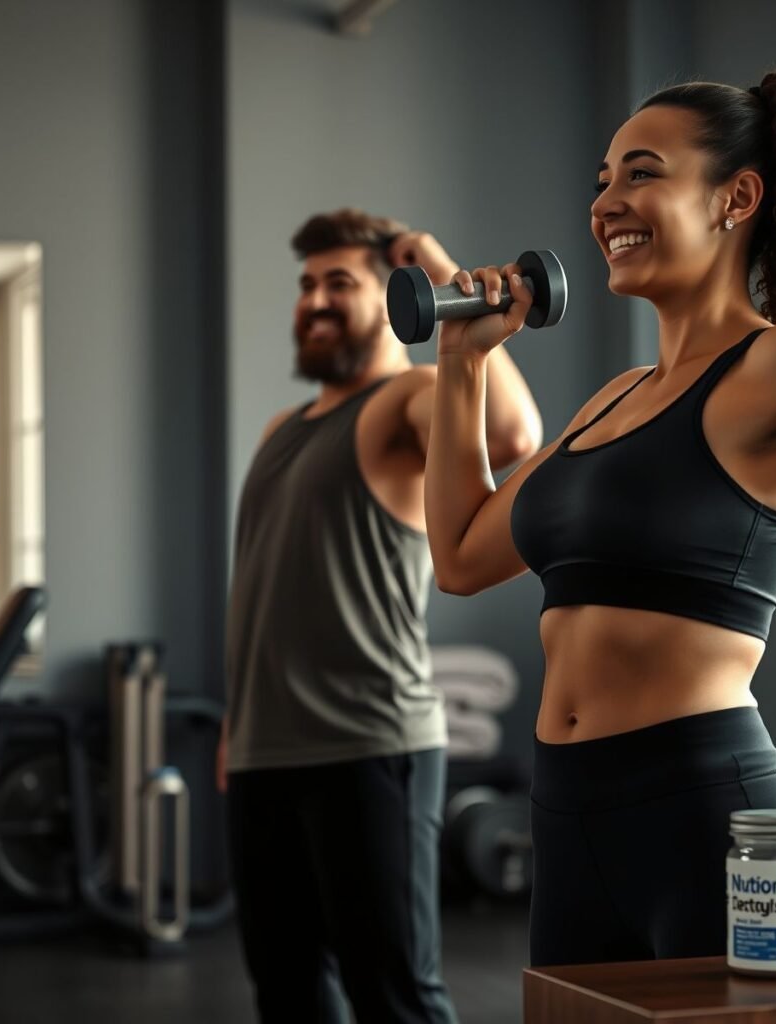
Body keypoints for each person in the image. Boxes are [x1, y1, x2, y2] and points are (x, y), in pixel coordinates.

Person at [423, 62, 776, 967]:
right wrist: (463, 364)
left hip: (707, 817)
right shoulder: (613, 400)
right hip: (567, 817)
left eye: (642, 173)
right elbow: (458, 554)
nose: (607, 203)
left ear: (737, 197)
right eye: (602, 181)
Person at [219, 208, 542, 1022]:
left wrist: (438, 267)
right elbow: (261, 590)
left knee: (392, 995)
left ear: (393, 295)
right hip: (264, 752)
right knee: (288, 992)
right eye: (305, 284)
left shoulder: (408, 399)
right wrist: (235, 728)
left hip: (369, 745)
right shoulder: (279, 430)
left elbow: (509, 432)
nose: (315, 300)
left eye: (340, 282)